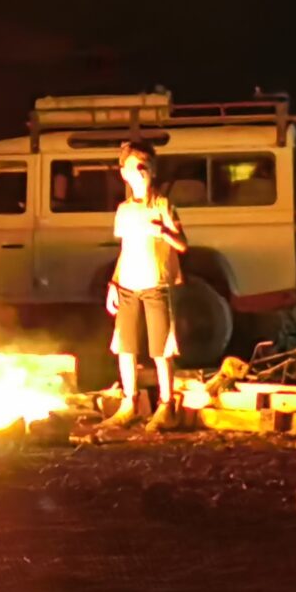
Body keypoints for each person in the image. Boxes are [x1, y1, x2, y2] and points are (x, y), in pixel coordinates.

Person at [104, 143, 188, 431]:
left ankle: (166, 407)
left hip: (155, 283)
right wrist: (113, 283)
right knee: (125, 347)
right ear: (123, 174)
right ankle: (129, 404)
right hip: (127, 284)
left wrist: (163, 231)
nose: (138, 172)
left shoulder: (163, 205)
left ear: (152, 171)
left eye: (143, 166)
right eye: (132, 167)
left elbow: (183, 244)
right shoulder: (124, 210)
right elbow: (125, 250)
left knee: (160, 348)